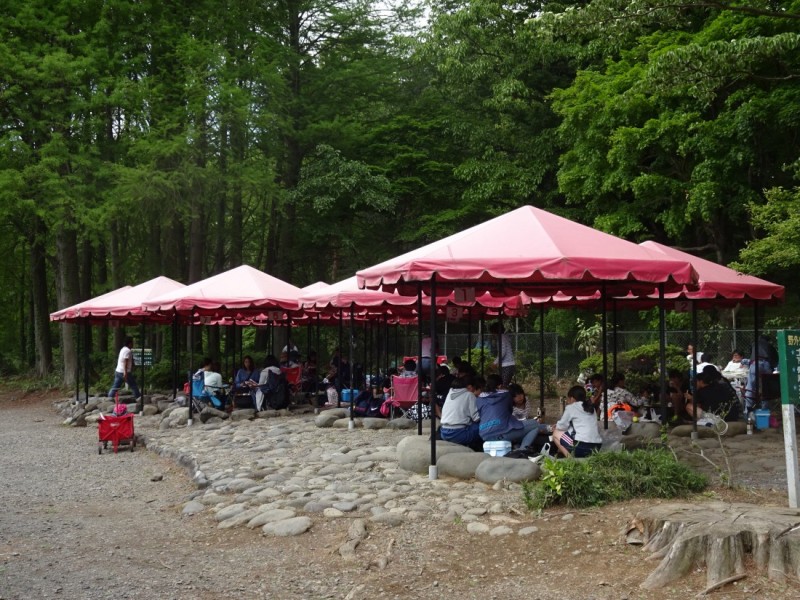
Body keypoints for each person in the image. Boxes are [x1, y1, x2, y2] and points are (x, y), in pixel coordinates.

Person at [477, 374, 541, 448]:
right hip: (501, 432)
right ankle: (522, 450)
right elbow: (508, 412)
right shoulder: (506, 395)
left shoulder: (479, 399)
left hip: (484, 435)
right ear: (500, 386)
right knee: (534, 424)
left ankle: (516, 446)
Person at [552, 386, 603, 458]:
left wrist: (556, 426)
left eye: (568, 399)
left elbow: (561, 426)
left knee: (556, 433)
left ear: (572, 398)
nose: (568, 401)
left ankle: (571, 459)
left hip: (581, 446)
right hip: (596, 447)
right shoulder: (591, 408)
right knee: (568, 434)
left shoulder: (571, 407)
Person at [439, 373, 482, 451]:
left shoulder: (450, 393)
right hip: (458, 434)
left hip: (444, 432)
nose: (474, 391)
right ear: (469, 387)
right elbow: (476, 418)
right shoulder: (469, 395)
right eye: (474, 388)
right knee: (484, 426)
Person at [744, 335, 779, 411]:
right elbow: (775, 359)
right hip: (766, 364)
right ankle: (765, 410)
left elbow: (751, 354)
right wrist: (772, 368)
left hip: (755, 363)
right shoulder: (770, 346)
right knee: (766, 389)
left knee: (750, 387)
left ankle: (748, 411)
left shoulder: (754, 344)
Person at [108, 336, 140, 401]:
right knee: (133, 385)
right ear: (130, 343)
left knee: (115, 387)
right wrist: (125, 372)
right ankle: (138, 398)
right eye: (132, 343)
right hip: (124, 371)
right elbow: (125, 361)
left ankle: (109, 397)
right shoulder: (127, 351)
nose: (133, 344)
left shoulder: (123, 349)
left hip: (118, 370)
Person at [489, 322, 515, 387]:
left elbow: (502, 352)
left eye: (492, 332)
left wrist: (495, 363)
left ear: (495, 331)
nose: (492, 334)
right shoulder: (504, 337)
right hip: (507, 364)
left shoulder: (501, 338)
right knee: (503, 384)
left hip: (507, 364)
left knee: (502, 385)